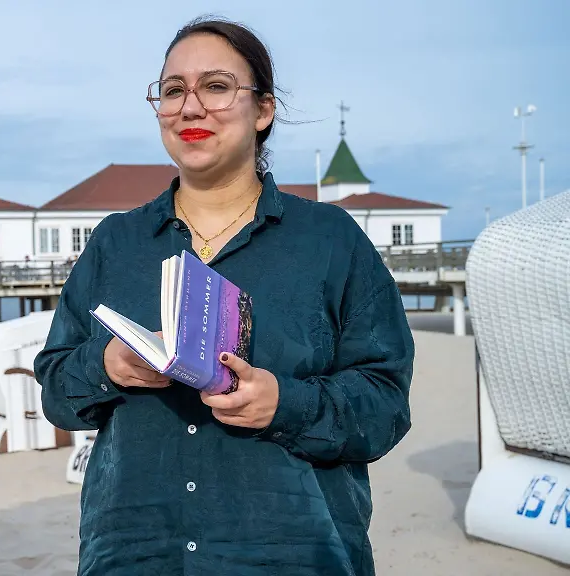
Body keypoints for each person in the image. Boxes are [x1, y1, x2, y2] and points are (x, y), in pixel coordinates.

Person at [33, 15, 415, 576]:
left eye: (216, 86)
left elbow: (385, 405)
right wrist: (108, 364)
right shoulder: (116, 242)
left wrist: (283, 404)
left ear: (263, 110)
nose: (190, 108)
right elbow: (55, 390)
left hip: (292, 556)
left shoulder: (331, 241)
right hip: (138, 554)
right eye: (172, 91)